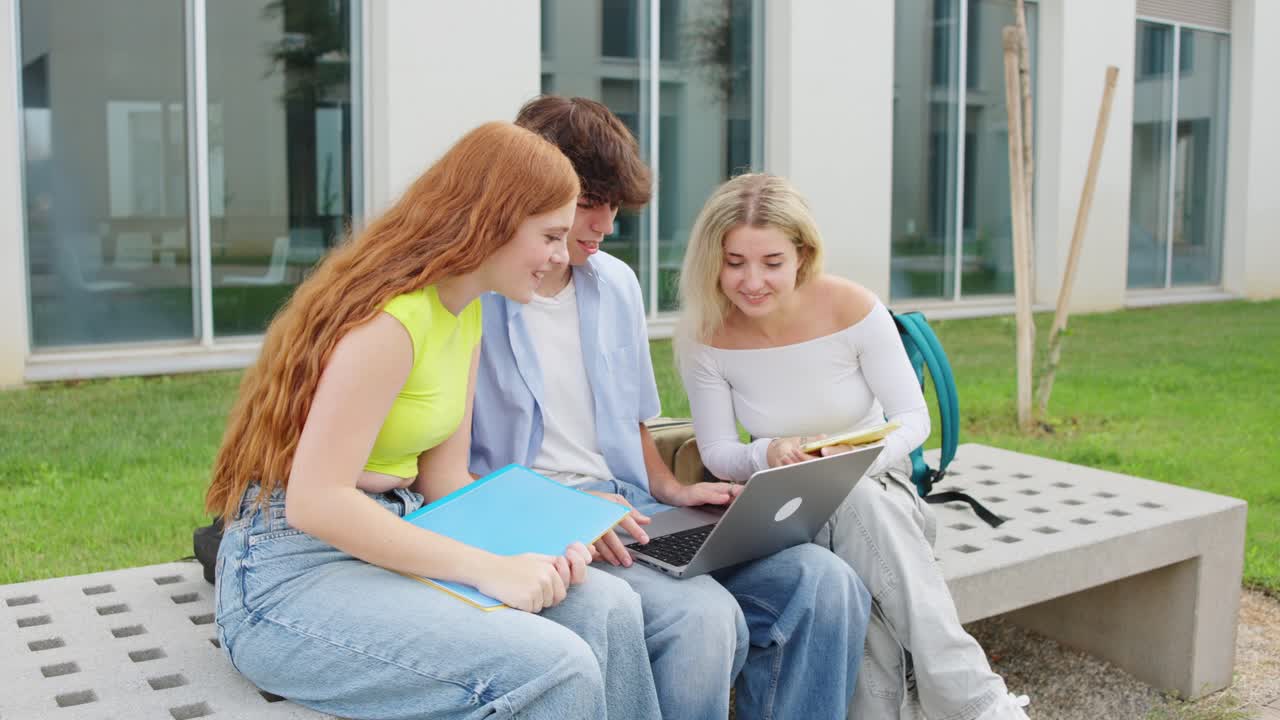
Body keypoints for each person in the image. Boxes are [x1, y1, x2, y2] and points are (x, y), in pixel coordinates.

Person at [205, 122, 663, 720]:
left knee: (610, 607)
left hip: (401, 528)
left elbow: (444, 478)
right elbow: (315, 503)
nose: (560, 256)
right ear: (494, 221)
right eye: (550, 236)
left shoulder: (465, 311)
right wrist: (490, 569)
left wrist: (541, 544)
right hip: (288, 573)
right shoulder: (390, 322)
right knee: (556, 667)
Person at [469, 96, 871, 720]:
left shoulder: (616, 284)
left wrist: (673, 490)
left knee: (825, 583)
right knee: (701, 621)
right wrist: (563, 512)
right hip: (547, 525)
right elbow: (446, 474)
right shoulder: (475, 294)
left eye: (613, 207)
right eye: (589, 203)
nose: (605, 223)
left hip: (637, 510)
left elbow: (634, 419)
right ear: (531, 189)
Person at [675, 172, 1032, 720]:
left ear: (802, 253)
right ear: (713, 259)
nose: (752, 281)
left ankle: (966, 701)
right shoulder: (707, 335)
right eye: (734, 262)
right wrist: (765, 453)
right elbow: (721, 450)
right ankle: (977, 702)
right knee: (849, 547)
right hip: (783, 507)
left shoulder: (851, 307)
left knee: (857, 514)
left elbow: (913, 419)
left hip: (879, 490)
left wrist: (851, 460)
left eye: (771, 262)